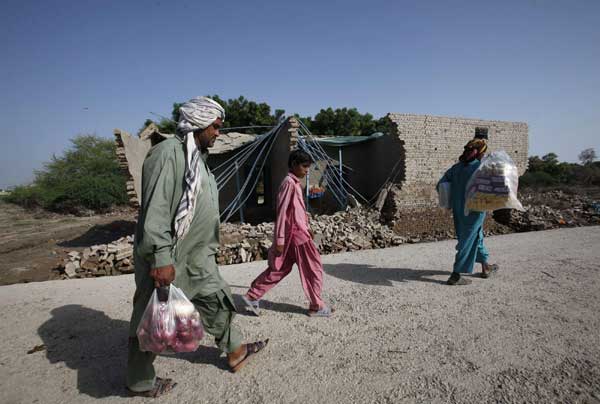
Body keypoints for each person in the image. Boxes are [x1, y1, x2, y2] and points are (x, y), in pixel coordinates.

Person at [126, 96, 268, 397]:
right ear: (198, 124)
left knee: (217, 300)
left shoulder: (196, 160)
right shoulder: (167, 155)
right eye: (215, 127)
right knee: (153, 320)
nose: (218, 133)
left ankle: (235, 350)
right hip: (171, 258)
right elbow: (157, 211)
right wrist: (161, 258)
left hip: (198, 257)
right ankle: (139, 382)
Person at [242, 150, 333, 317]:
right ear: (293, 165)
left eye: (308, 167)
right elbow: (282, 213)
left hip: (296, 234)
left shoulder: (294, 183)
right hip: (296, 237)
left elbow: (296, 211)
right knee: (313, 268)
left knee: (280, 268)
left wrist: (307, 226)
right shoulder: (289, 184)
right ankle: (316, 306)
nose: (307, 170)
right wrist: (279, 240)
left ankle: (252, 296)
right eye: (304, 166)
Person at [437, 139, 499, 286]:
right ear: (480, 153)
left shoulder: (456, 168)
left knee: (477, 236)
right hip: (475, 210)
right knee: (467, 240)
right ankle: (456, 275)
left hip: (459, 210)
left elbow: (440, 185)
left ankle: (485, 267)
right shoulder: (481, 167)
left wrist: (451, 199)